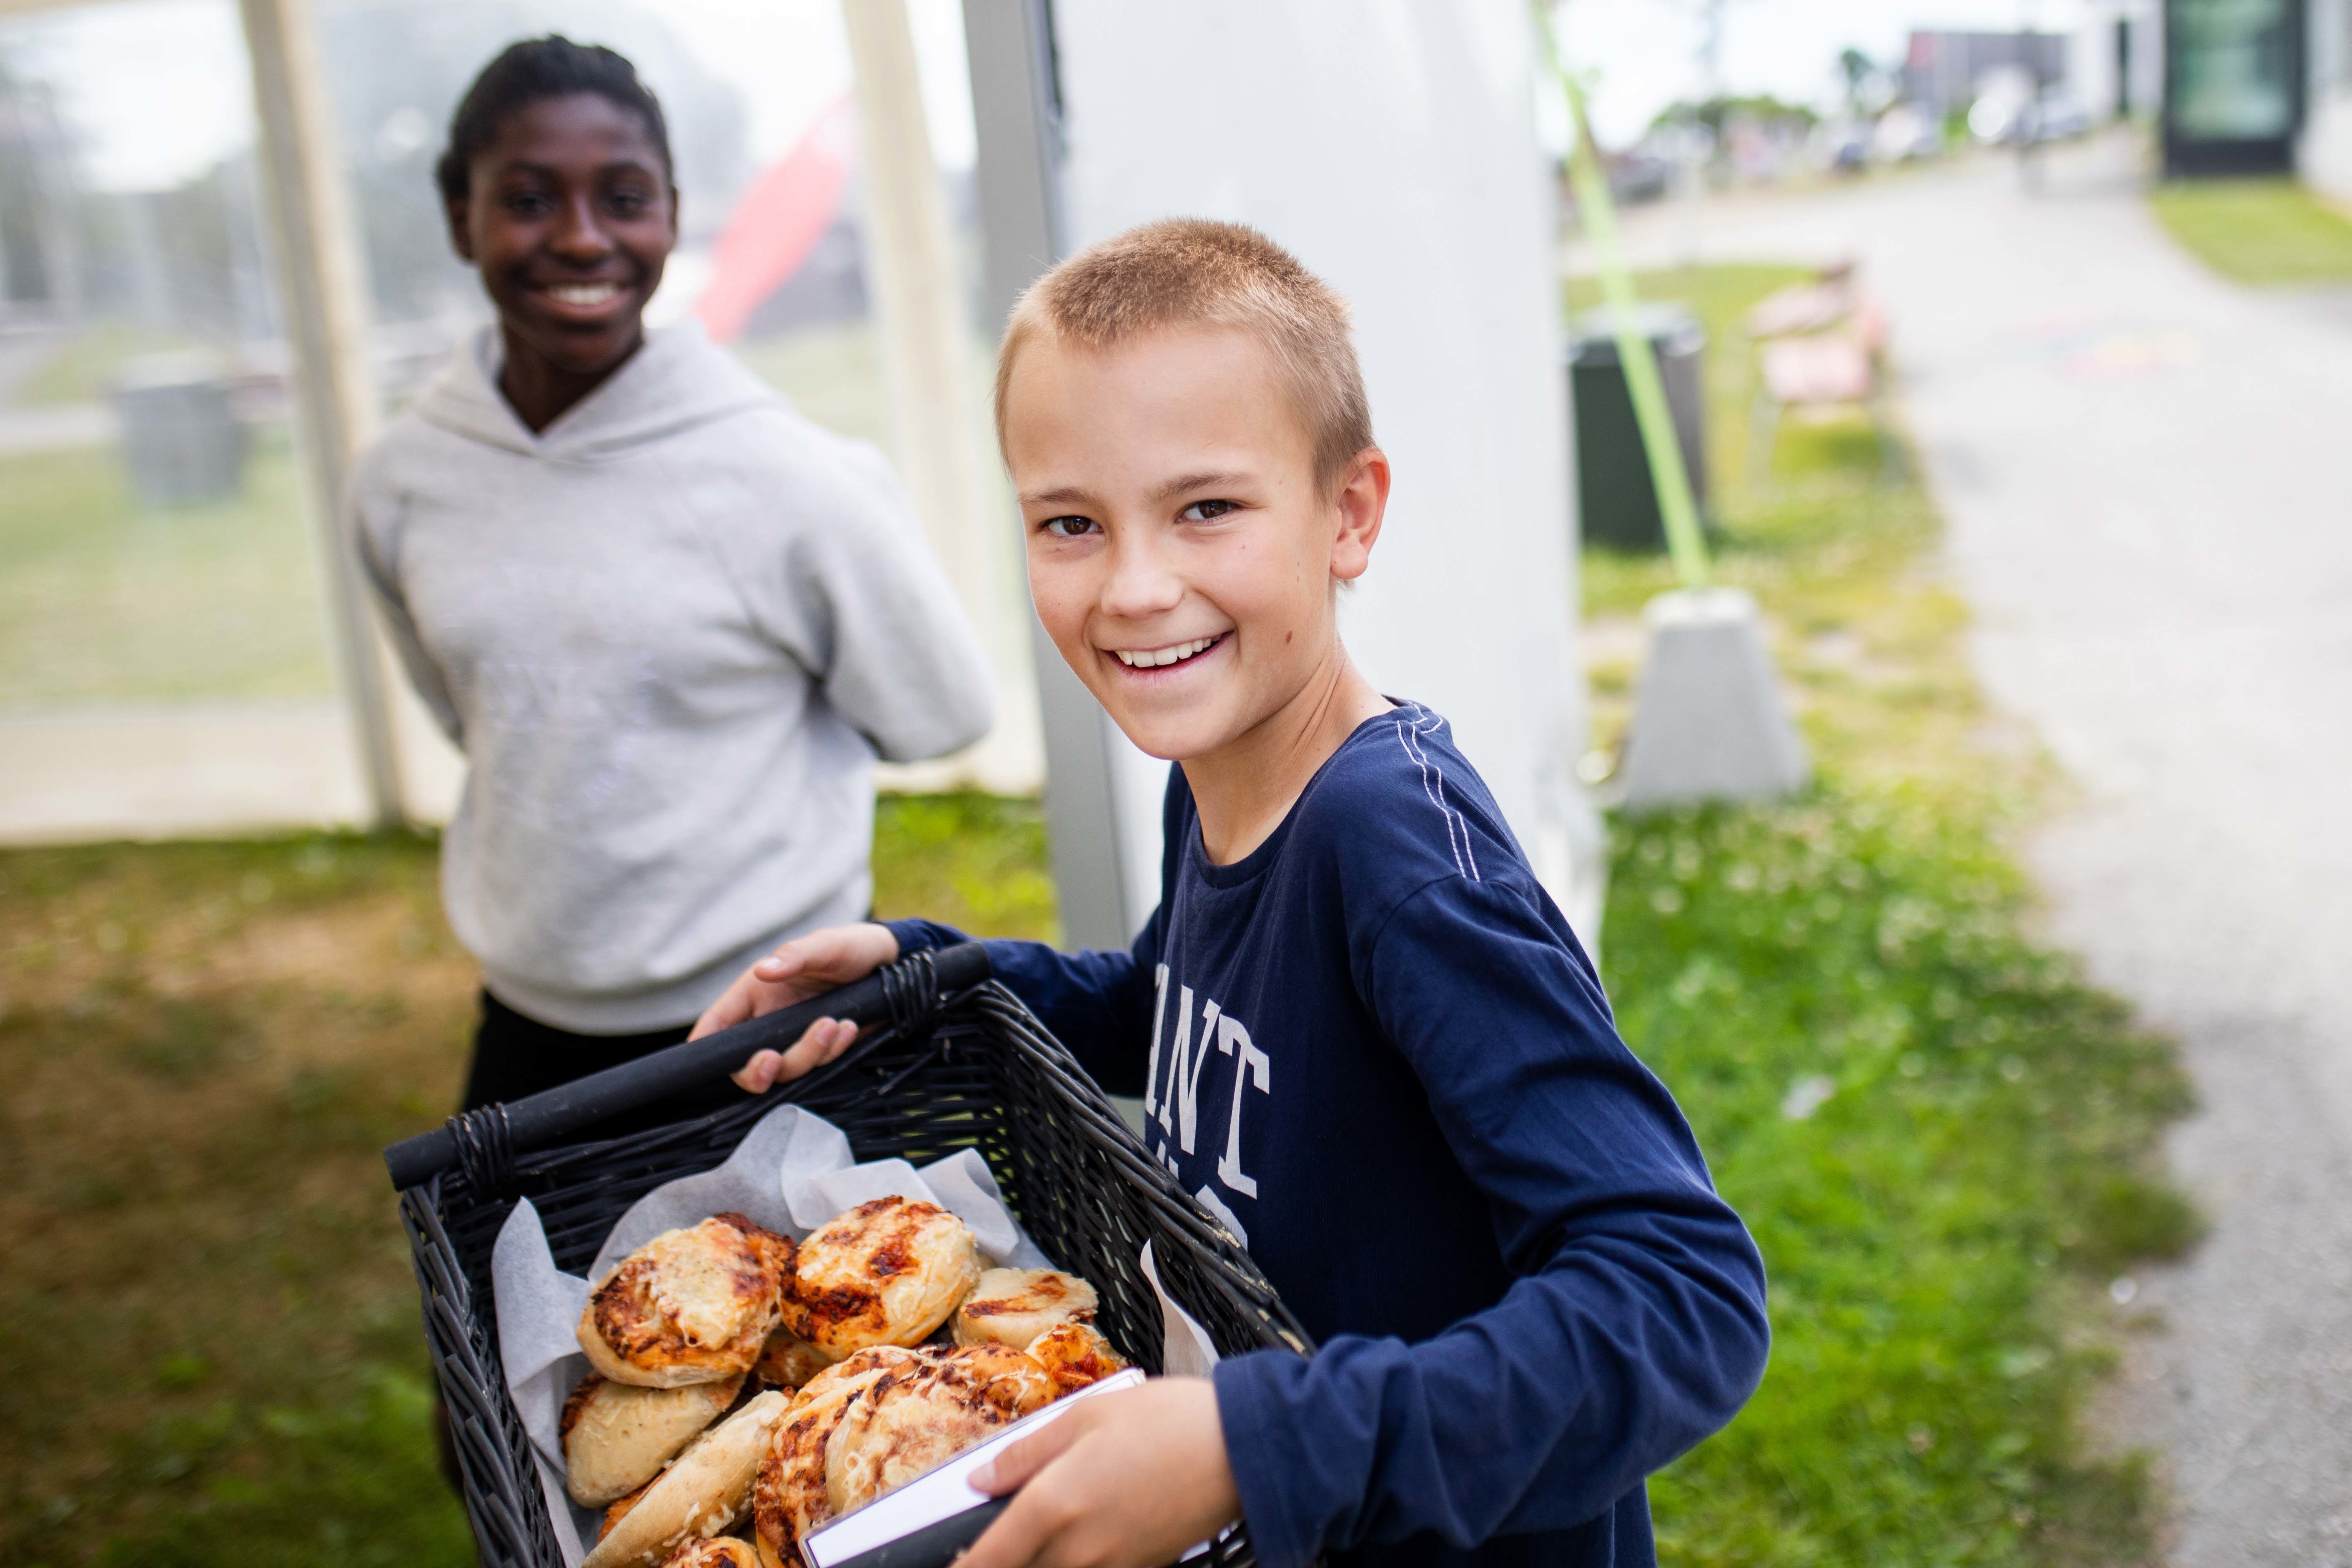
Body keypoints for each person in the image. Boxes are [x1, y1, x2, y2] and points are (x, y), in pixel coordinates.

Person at [695, 221, 1769, 1568]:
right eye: (1071, 524)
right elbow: (1174, 1010)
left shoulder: (1399, 856)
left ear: (1349, 514)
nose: (1138, 588)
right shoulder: (1210, 760)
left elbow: (1681, 1297)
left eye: (1205, 508)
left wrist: (1255, 1445)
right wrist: (927, 972)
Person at [348, 37, 993, 1114]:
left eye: (623, 196)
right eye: (528, 198)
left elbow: (939, 712)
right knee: (515, 1289)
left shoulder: (789, 475)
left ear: (673, 212)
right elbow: (478, 713)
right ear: (461, 216)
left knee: (811, 1288)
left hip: (770, 1023)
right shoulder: (400, 480)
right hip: (527, 1029)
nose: (582, 236)